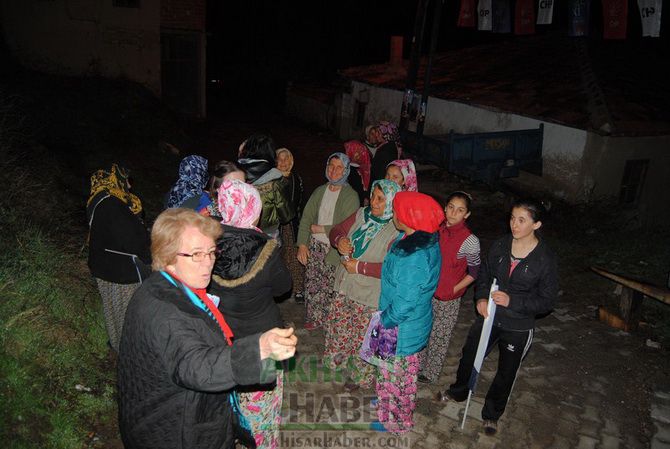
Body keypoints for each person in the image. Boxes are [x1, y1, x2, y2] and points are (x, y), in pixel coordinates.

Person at [117, 208, 297, 449]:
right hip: (177, 430)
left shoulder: (164, 287)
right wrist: (259, 349)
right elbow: (197, 366)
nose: (208, 263)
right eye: (196, 254)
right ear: (167, 254)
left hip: (173, 417)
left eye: (211, 252)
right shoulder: (167, 311)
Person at [436, 198, 558, 436]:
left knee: (506, 371)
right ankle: (459, 391)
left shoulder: (545, 258)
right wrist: (481, 298)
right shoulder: (500, 245)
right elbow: (484, 274)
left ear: (536, 224)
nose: (514, 224)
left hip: (518, 325)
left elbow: (547, 301)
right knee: (470, 353)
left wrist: (514, 301)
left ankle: (492, 414)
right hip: (490, 315)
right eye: (512, 218)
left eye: (521, 220)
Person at [209, 180, 291, 449]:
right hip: (263, 341)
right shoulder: (266, 248)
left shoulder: (208, 243)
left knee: (230, 400)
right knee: (264, 405)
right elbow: (284, 287)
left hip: (224, 340)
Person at [374, 191, 443, 434]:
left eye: (396, 211)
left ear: (408, 217)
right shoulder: (419, 239)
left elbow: (406, 301)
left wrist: (384, 320)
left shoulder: (413, 256)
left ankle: (399, 421)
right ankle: (385, 410)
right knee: (385, 371)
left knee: (400, 378)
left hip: (401, 327)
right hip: (399, 321)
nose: (393, 215)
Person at [325, 180, 401, 391]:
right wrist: (339, 239)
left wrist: (360, 267)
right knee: (342, 330)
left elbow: (392, 268)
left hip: (368, 294)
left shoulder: (396, 229)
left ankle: (359, 378)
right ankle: (340, 366)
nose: (373, 202)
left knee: (362, 337)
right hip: (345, 286)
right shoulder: (362, 214)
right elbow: (337, 229)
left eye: (380, 199)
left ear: (392, 202)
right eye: (373, 196)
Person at [87, 163, 150, 352]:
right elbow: (132, 240)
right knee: (127, 313)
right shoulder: (112, 204)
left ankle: (116, 344)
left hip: (103, 265)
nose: (129, 186)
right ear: (114, 179)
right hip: (120, 270)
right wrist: (149, 255)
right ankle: (129, 352)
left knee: (112, 310)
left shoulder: (98, 198)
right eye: (126, 181)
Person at [418, 191, 480, 384]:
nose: (454, 213)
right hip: (427, 292)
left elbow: (474, 272)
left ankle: (430, 372)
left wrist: (453, 289)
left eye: (460, 210)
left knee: (439, 335)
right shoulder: (435, 229)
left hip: (448, 299)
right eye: (451, 207)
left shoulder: (470, 240)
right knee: (422, 330)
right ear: (445, 207)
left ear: (466, 215)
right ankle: (416, 365)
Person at [296, 153, 359, 330]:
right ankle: (313, 317)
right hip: (315, 245)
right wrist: (302, 244)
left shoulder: (350, 196)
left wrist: (322, 228)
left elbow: (349, 225)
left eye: (339, 167)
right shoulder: (320, 191)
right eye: (331, 165)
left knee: (330, 285)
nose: (334, 170)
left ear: (346, 170)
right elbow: (306, 217)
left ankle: (328, 321)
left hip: (334, 249)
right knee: (313, 282)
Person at [237, 134, 295, 237]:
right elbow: (286, 215)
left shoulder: (235, 173)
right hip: (267, 235)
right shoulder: (276, 179)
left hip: (240, 233)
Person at [275, 148, 306, 303]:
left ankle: (298, 288)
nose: (283, 163)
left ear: (291, 161)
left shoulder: (297, 179)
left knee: (294, 256)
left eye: (286, 159)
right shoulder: (272, 180)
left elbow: (301, 203)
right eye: (280, 159)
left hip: (293, 223)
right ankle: (278, 290)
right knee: (277, 257)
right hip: (276, 224)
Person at [344, 140, 371, 206]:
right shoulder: (349, 171)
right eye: (357, 152)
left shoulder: (362, 167)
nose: (361, 154)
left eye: (361, 152)